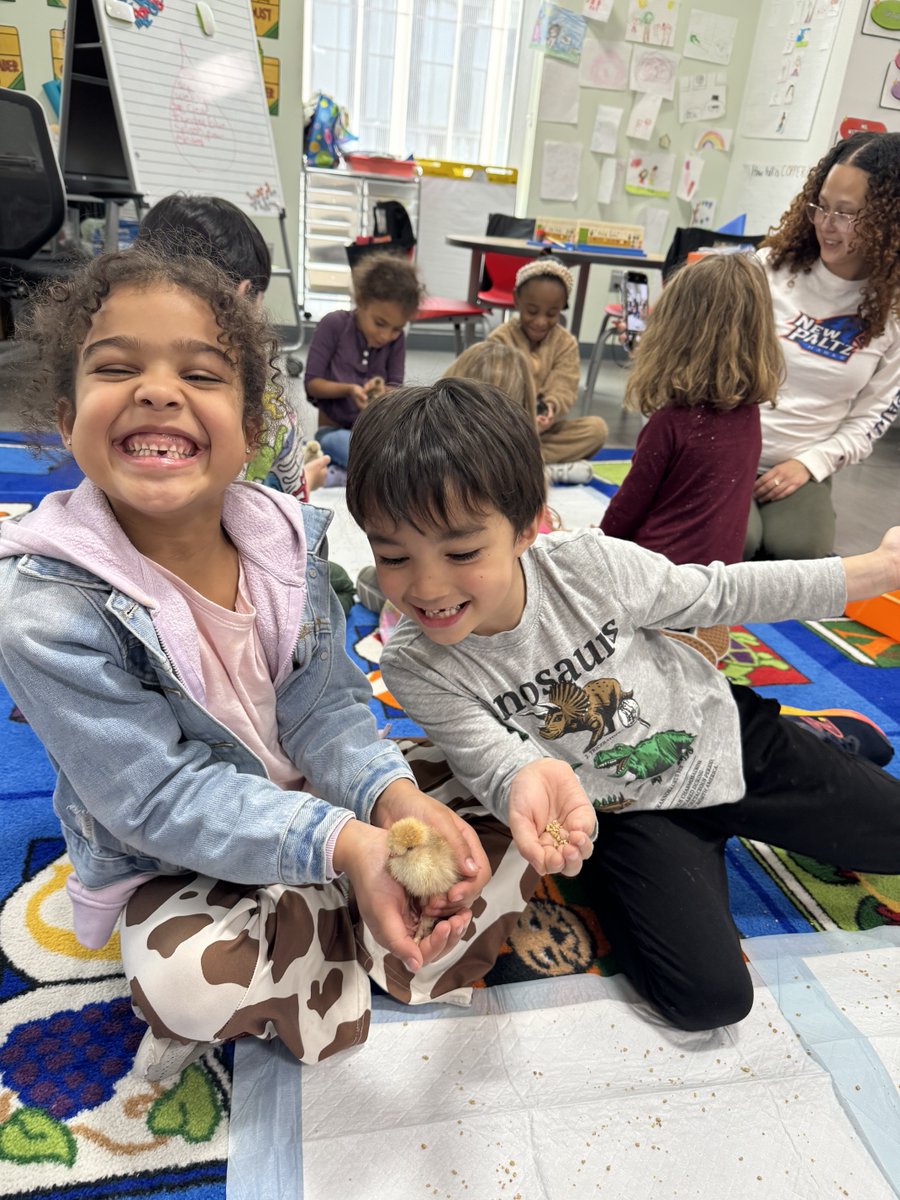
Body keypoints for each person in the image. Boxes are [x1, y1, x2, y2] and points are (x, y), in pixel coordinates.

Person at [0, 247, 538, 1081]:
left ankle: (346, 932)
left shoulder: (287, 544)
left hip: (321, 809)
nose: (156, 389)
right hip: (183, 855)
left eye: (201, 374)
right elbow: (157, 797)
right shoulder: (44, 608)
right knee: (188, 982)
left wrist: (390, 801)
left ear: (252, 431)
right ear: (66, 419)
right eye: (117, 367)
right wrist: (347, 846)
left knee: (493, 802)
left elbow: (326, 708)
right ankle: (363, 935)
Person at [345, 378, 900, 1033]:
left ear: (528, 527)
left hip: (724, 738)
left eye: (462, 551)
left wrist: (878, 570)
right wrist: (525, 781)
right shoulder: (414, 662)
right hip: (622, 814)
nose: (426, 586)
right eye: (391, 555)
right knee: (709, 1000)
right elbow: (491, 756)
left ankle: (826, 736)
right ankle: (821, 752)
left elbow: (722, 594)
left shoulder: (584, 565)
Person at [746, 130, 900, 560]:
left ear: (889, 221)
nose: (827, 226)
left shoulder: (894, 312)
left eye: (847, 215)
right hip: (730, 446)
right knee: (737, 544)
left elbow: (870, 420)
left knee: (800, 552)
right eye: (822, 207)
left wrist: (809, 465)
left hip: (802, 461)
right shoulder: (767, 269)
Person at [134, 192, 330, 500]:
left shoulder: (109, 384)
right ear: (244, 294)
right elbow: (294, 505)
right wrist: (306, 477)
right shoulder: (268, 408)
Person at [600, 252, 782, 567]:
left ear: (673, 333)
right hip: (720, 579)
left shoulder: (672, 422)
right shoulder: (749, 415)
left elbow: (627, 509)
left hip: (660, 578)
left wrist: (595, 548)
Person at [486, 257, 608, 478]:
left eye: (552, 314)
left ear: (562, 308)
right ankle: (536, 466)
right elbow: (492, 396)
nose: (541, 321)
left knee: (596, 430)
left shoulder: (566, 343)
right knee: (483, 441)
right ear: (516, 300)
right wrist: (526, 419)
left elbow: (564, 386)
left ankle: (519, 464)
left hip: (544, 433)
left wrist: (550, 409)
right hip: (506, 431)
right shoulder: (500, 340)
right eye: (532, 311)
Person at [304, 251, 423, 474]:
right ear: (360, 301)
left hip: (376, 435)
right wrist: (349, 390)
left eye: (397, 329)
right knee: (343, 446)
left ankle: (347, 471)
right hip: (333, 431)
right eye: (380, 323)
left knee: (413, 451)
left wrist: (381, 393)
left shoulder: (396, 342)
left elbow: (396, 389)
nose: (386, 336)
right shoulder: (334, 325)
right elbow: (312, 383)